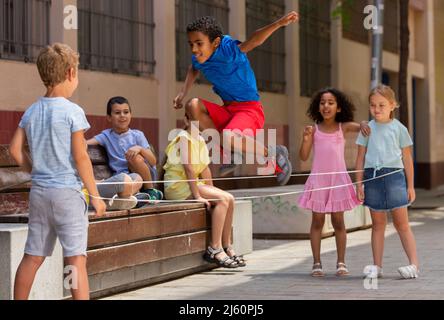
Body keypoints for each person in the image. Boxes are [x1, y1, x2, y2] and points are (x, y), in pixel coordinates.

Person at [9, 43, 106, 300]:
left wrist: (36, 171)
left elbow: (15, 151)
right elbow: (81, 156)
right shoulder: (73, 111)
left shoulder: (31, 111)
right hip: (67, 195)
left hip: (40, 194)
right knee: (75, 259)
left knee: (32, 256)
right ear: (71, 73)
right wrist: (95, 195)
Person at [174, 14, 299, 185]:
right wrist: (183, 93)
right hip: (228, 110)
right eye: (191, 44)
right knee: (192, 105)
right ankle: (232, 151)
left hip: (250, 110)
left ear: (215, 42)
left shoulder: (227, 48)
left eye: (199, 44)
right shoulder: (199, 58)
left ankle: (274, 153)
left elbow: (253, 42)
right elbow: (193, 68)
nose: (194, 50)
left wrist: (279, 23)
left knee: (229, 135)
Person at [299, 88, 370, 277]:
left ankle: (341, 262)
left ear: (338, 108)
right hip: (319, 180)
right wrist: (306, 139)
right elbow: (304, 156)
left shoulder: (343, 127)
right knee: (317, 221)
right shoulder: (313, 129)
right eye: (322, 102)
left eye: (331, 102)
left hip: (338, 180)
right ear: (318, 107)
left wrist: (363, 122)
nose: (326, 106)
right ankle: (316, 262)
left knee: (339, 221)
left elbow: (361, 126)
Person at [163, 114, 245, 268]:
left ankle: (227, 246)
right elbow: (188, 168)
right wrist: (198, 196)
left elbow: (205, 169)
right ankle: (214, 248)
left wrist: (212, 190)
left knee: (229, 199)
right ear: (186, 120)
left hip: (191, 183)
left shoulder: (200, 139)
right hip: (178, 185)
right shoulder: (183, 137)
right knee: (222, 200)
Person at [356, 84, 419, 279]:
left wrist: (410, 185)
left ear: (392, 105)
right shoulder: (367, 129)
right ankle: (377, 266)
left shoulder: (399, 128)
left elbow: (407, 159)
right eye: (373, 105)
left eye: (381, 105)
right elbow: (360, 158)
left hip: (395, 178)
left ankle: (414, 265)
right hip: (372, 178)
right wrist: (359, 184)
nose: (376, 109)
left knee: (402, 224)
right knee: (377, 225)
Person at [87, 96, 163, 207]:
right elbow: (85, 143)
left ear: (130, 115)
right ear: (109, 117)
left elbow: (153, 161)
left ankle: (150, 191)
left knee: (134, 158)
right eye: (117, 112)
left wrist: (140, 149)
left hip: (146, 175)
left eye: (126, 112)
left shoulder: (137, 135)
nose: (122, 115)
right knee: (136, 179)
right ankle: (134, 198)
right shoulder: (106, 135)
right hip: (128, 178)